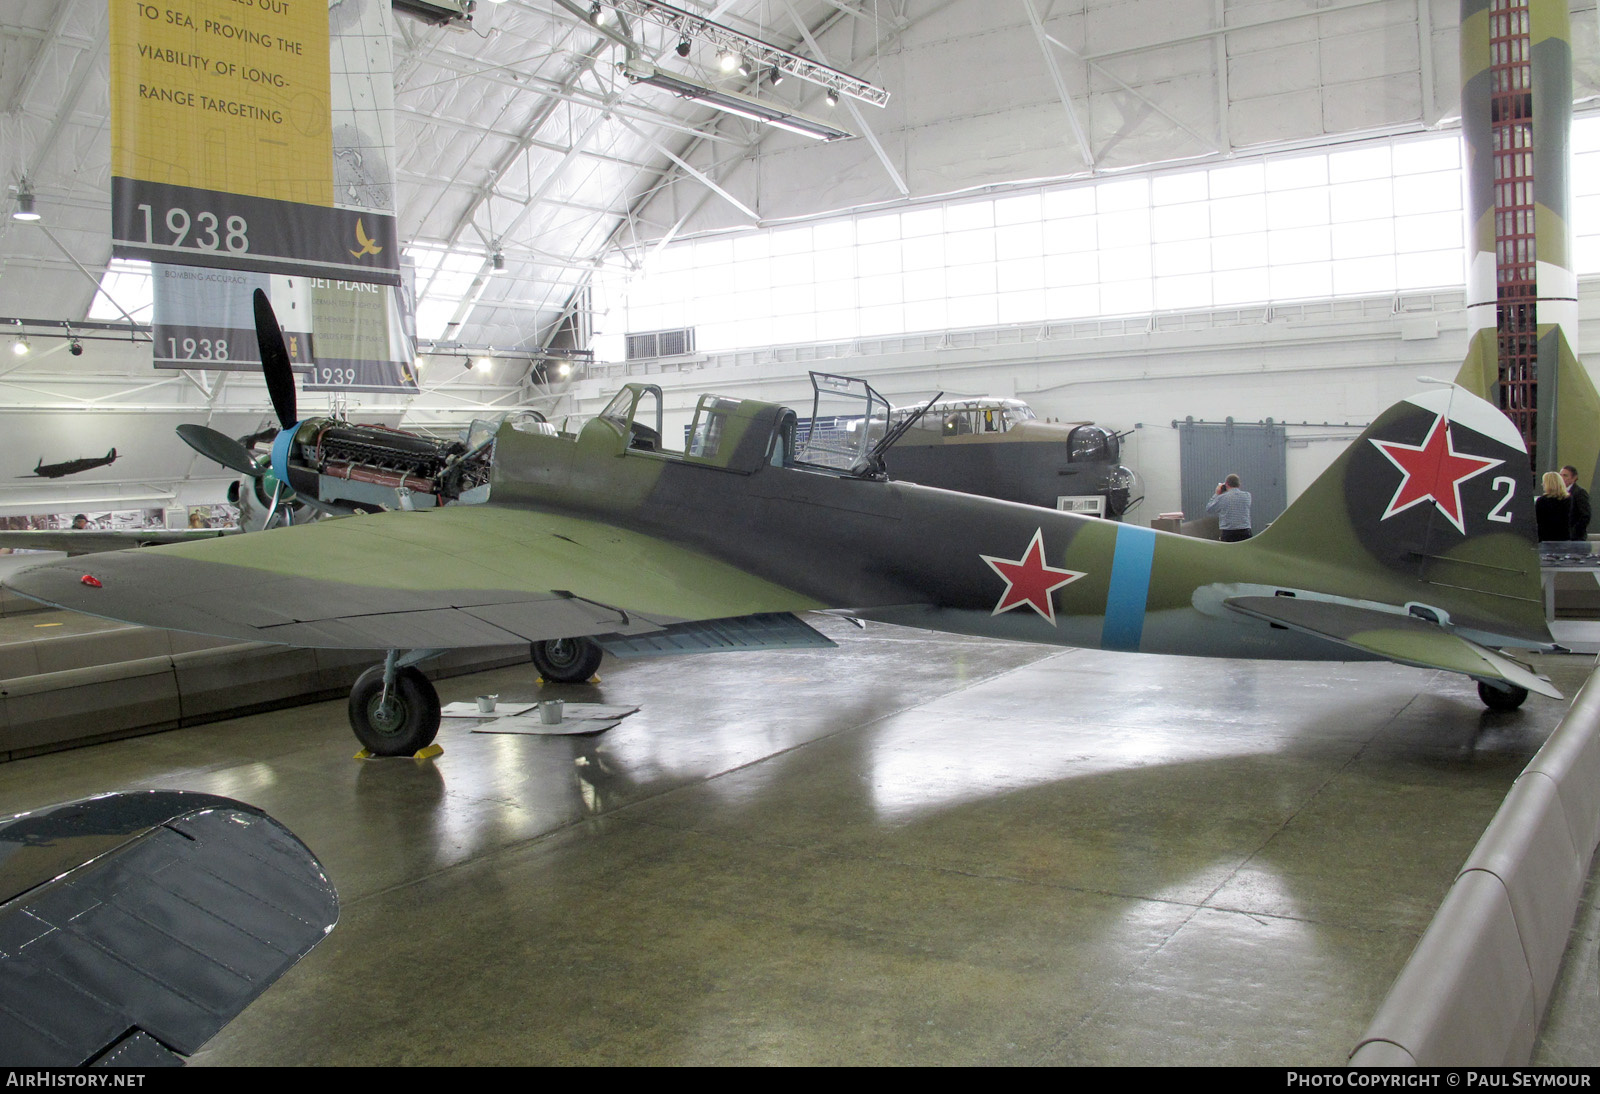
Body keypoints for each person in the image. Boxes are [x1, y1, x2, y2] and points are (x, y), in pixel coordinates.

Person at [1206, 473, 1253, 542]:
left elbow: (1209, 509)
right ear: (1239, 485)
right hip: (1245, 532)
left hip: (1228, 533)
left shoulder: (1222, 498)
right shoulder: (1247, 496)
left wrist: (1217, 494)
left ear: (1226, 484)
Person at [1535, 472, 1572, 542]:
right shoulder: (1569, 500)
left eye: (1544, 482)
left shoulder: (1541, 501)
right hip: (1564, 537)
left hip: (1545, 538)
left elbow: (1538, 520)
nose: (1542, 484)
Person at [1561, 465, 1591, 541]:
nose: (1561, 478)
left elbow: (1585, 515)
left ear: (1574, 478)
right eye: (1560, 475)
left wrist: (1574, 532)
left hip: (1575, 538)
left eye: (1565, 475)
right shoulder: (1559, 492)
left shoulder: (1579, 492)